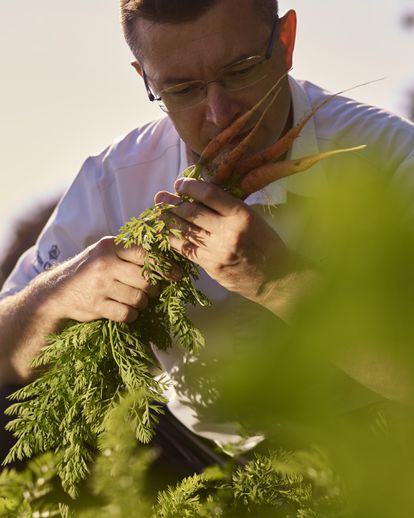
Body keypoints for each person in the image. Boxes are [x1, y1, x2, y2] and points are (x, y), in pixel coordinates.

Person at [0, 0, 413, 461]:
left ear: (286, 41)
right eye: (183, 89)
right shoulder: (114, 178)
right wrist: (53, 297)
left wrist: (278, 282)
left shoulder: (391, 158)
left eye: (240, 71)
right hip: (189, 453)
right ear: (145, 79)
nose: (219, 113)